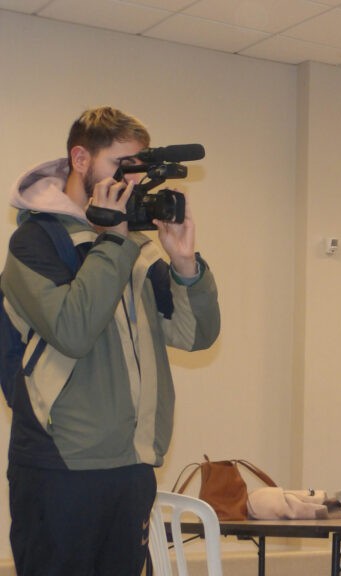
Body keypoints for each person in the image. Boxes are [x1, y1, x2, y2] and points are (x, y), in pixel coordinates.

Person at [4, 106, 221, 575]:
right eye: (122, 167)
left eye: (139, 170)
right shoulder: (36, 242)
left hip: (132, 463)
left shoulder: (135, 249)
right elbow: (72, 330)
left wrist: (185, 266)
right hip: (61, 464)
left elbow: (195, 335)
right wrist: (113, 240)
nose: (133, 183)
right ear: (81, 159)